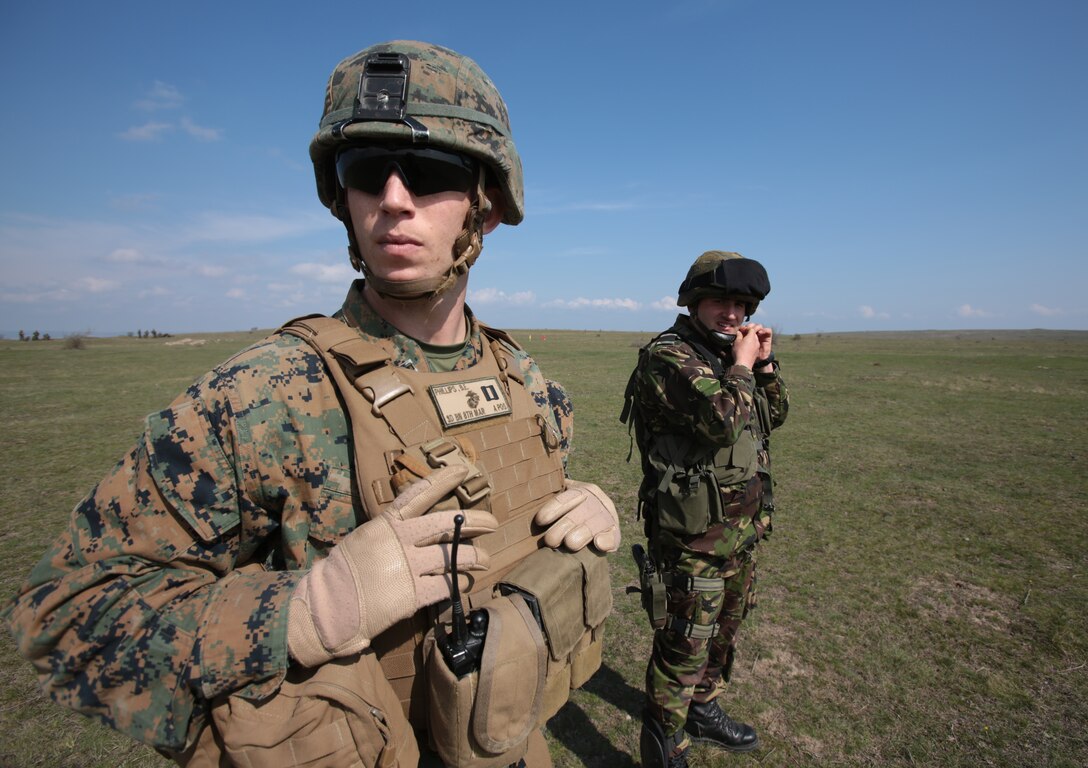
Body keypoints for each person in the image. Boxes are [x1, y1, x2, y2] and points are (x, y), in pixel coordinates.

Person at [5, 41, 620, 768]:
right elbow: (63, 617)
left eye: (427, 172)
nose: (393, 198)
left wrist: (572, 514)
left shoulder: (528, 384)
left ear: (484, 207)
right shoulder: (264, 397)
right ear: (344, 199)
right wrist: (299, 613)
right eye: (366, 171)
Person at [620, 250, 789, 768]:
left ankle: (704, 708)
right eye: (720, 301)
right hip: (692, 536)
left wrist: (763, 365)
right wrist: (742, 365)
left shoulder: (727, 356)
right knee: (686, 639)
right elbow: (721, 421)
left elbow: (774, 415)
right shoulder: (670, 358)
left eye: (741, 304)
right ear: (695, 300)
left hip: (739, 530)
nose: (732, 314)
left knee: (726, 628)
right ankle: (664, 740)